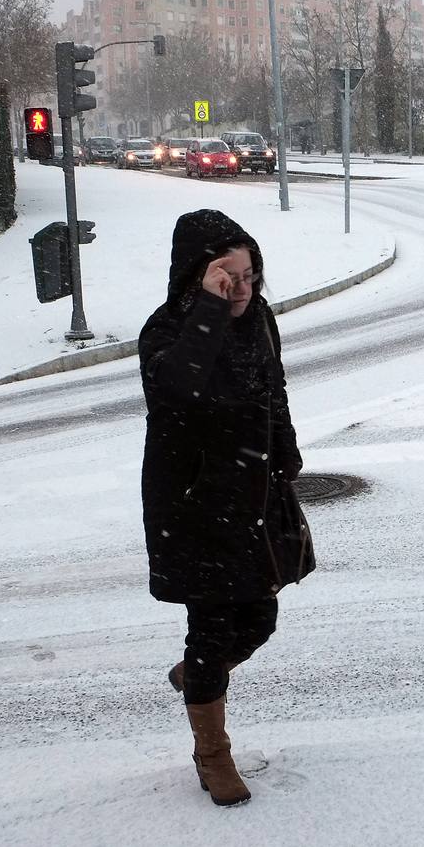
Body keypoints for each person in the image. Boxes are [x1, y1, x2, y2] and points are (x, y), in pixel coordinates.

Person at [138, 209, 315, 808]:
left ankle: (195, 680)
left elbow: (274, 385)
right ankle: (212, 753)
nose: (242, 289)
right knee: (212, 630)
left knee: (259, 621)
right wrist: (211, 313)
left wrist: (286, 454)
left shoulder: (259, 318)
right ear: (196, 278)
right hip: (195, 503)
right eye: (227, 278)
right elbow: (181, 390)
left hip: (255, 494)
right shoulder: (164, 332)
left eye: (249, 277)